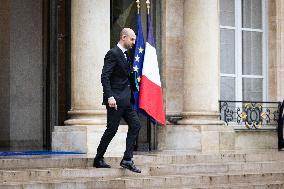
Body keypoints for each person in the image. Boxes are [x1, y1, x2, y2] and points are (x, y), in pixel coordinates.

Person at [93, 28, 142, 173]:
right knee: (112, 130)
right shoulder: (113, 53)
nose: (133, 42)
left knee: (136, 125)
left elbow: (125, 76)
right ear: (124, 37)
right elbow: (105, 76)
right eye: (132, 39)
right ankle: (98, 158)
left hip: (126, 100)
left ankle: (127, 159)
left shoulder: (126, 54)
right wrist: (109, 96)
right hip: (114, 100)